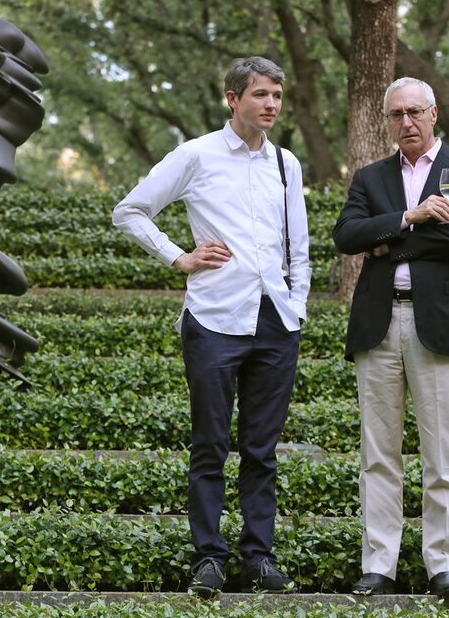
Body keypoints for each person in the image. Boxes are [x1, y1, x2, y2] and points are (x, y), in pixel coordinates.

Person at [112, 57, 311, 598]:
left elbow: (300, 245)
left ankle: (259, 557)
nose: (271, 104)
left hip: (276, 320)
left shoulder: (285, 163)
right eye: (260, 95)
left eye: (276, 94)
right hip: (214, 318)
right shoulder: (196, 155)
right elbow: (130, 211)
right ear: (232, 98)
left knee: (262, 449)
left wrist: (298, 305)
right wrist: (178, 257)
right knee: (210, 444)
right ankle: (208, 559)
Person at [332, 77, 449, 599]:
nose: (406, 123)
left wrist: (389, 245)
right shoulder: (370, 177)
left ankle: (444, 566)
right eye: (396, 114)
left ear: (434, 113)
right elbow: (347, 236)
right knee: (379, 455)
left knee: (441, 455)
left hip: (440, 326)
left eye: (414, 112)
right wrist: (409, 216)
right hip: (379, 326)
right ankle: (380, 564)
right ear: (388, 120)